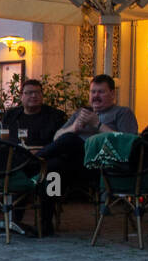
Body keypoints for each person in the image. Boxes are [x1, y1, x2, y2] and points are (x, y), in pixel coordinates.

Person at [37, 74, 139, 235]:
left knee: (69, 140)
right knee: (52, 170)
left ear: (113, 94)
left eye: (101, 92)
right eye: (93, 92)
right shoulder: (81, 113)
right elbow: (57, 137)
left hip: (103, 165)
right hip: (76, 164)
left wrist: (97, 124)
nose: (95, 96)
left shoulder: (122, 113)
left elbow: (127, 142)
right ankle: (46, 224)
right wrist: (74, 128)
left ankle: (31, 162)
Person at [1, 79, 67, 146]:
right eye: (29, 92)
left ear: (42, 95)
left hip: (43, 155)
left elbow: (61, 144)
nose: (34, 96)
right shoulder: (11, 115)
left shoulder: (56, 116)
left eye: (37, 92)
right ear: (21, 96)